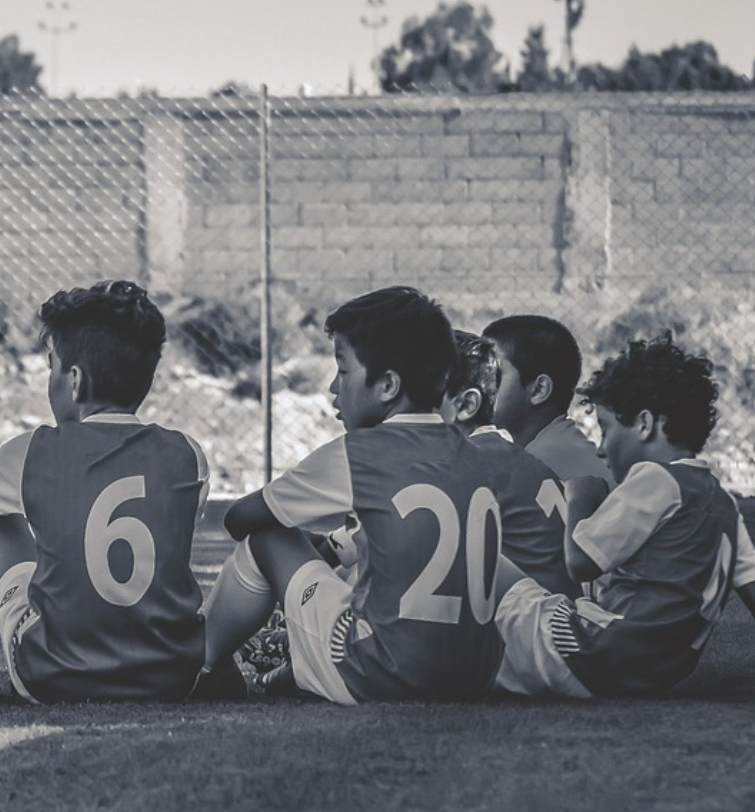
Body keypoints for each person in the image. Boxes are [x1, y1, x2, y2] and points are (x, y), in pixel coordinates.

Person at [0, 280, 210, 703]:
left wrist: (16, 489)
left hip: (55, 674)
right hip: (172, 677)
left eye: (51, 367)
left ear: (74, 380)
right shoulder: (188, 454)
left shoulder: (34, 451)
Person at [493, 334, 755, 700]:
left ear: (644, 424)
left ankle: (448, 660)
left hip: (586, 656)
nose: (599, 447)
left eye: (606, 428)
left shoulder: (656, 479)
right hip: (649, 676)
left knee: (486, 560)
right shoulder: (722, 503)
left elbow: (579, 563)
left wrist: (579, 495)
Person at [200, 287, 505, 703]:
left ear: (388, 386)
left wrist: (299, 533)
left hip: (382, 675)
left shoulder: (359, 454)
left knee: (269, 540)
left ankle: (200, 664)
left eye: (342, 371)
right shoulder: (479, 457)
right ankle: (281, 676)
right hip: (477, 677)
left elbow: (240, 519)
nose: (331, 387)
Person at [445, 331, 578, 597]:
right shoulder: (512, 457)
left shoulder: (466, 463)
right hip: (560, 616)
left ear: (467, 405)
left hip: (530, 626)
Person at [482, 314, 615, 486]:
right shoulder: (562, 445)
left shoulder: (535, 467)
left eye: (492, 374)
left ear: (539, 390)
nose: (479, 383)